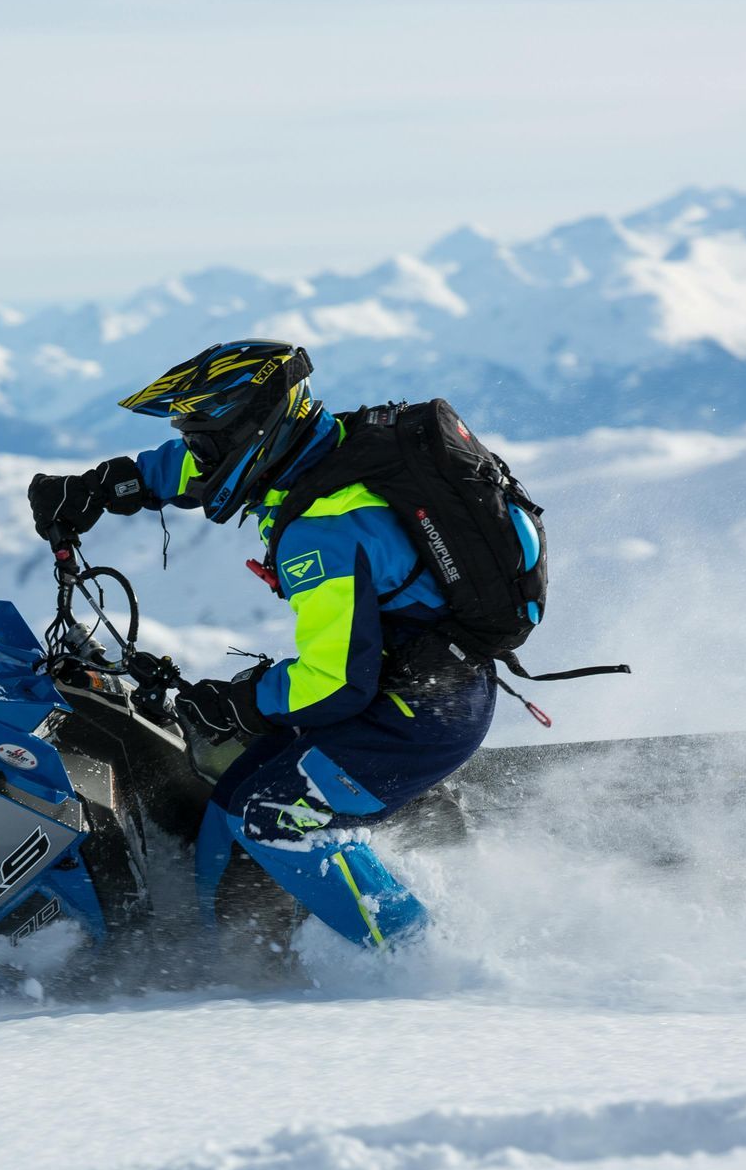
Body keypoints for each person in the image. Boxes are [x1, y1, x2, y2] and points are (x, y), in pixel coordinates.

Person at [27, 339, 496, 949]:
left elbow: (333, 683)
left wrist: (244, 703)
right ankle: (236, 967)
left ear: (253, 430)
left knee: (271, 816)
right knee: (232, 799)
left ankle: (418, 961)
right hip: (406, 682)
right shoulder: (320, 452)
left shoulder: (323, 531)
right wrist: (108, 486)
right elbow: (203, 467)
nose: (197, 454)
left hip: (419, 711)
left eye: (203, 439)